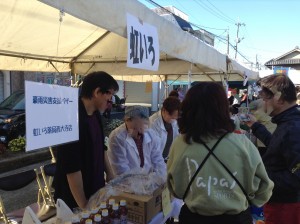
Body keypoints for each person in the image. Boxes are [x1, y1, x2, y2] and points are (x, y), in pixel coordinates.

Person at [167, 82, 274, 224]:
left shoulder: (181, 143)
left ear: (187, 109)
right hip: (236, 219)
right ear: (223, 108)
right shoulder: (242, 144)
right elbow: (263, 190)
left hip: (193, 218)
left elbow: (175, 189)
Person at [53, 71, 119, 210]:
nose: (110, 101)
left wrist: (111, 175)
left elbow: (102, 147)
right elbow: (71, 168)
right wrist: (83, 204)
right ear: (97, 92)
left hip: (95, 189)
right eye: (109, 95)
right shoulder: (70, 119)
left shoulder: (95, 115)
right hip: (73, 199)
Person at [245, 74, 300, 224]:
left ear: (279, 99)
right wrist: (255, 126)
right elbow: (277, 146)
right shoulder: (288, 122)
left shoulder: (293, 127)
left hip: (287, 206)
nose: (263, 102)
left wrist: (260, 176)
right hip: (281, 202)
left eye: (266, 98)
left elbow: (296, 177)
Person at [108, 105, 166, 177]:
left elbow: (158, 161)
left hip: (148, 181)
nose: (139, 134)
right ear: (127, 121)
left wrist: (160, 178)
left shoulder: (151, 134)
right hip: (126, 184)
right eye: (135, 129)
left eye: (142, 129)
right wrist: (138, 184)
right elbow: (121, 170)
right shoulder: (117, 137)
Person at [149, 96, 180, 161]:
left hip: (168, 159)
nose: (174, 120)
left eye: (175, 118)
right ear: (164, 110)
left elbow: (176, 138)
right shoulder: (152, 124)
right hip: (155, 162)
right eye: (172, 117)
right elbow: (151, 151)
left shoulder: (174, 121)